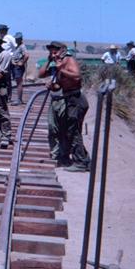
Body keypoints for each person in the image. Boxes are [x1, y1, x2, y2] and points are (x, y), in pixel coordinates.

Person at [37, 41, 91, 172]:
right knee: (70, 131)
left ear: (62, 50)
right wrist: (50, 62)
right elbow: (42, 74)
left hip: (76, 99)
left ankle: (81, 163)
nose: (52, 52)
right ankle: (84, 159)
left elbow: (77, 76)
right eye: (50, 50)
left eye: (55, 50)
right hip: (69, 99)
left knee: (73, 131)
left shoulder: (68, 60)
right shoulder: (58, 64)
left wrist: (61, 68)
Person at [10, 32, 29, 106]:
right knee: (18, 83)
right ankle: (19, 99)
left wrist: (22, 62)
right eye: (15, 38)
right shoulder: (18, 46)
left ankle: (19, 100)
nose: (16, 40)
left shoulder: (22, 46)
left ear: (20, 39)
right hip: (15, 66)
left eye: (17, 39)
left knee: (19, 83)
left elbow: (27, 55)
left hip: (18, 67)